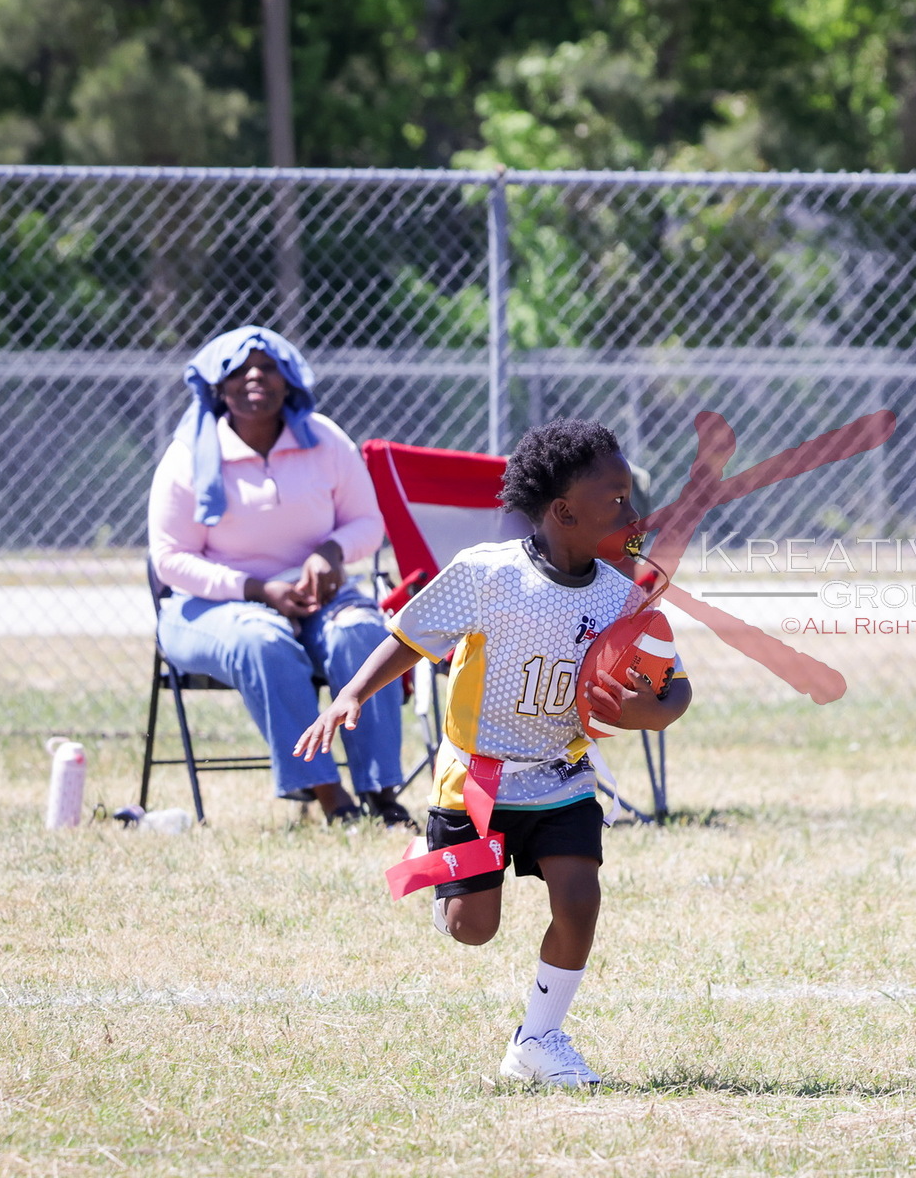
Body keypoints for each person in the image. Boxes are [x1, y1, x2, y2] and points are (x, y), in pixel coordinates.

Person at [294, 418, 693, 1087]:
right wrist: (351, 694)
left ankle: (537, 1040)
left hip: (563, 774)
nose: (634, 516)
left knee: (579, 898)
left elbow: (674, 685)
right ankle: (431, 865)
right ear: (564, 512)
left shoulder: (624, 595)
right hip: (477, 780)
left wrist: (650, 711)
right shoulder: (488, 574)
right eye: (617, 501)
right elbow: (411, 636)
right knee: (472, 928)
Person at [147, 325, 410, 825]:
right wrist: (257, 590)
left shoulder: (325, 441)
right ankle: (331, 797)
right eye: (239, 369)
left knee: (361, 633)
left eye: (268, 367)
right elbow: (170, 559)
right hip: (213, 606)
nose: (255, 377)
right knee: (263, 641)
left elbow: (367, 523)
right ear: (218, 386)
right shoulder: (188, 456)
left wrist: (331, 553)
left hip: (317, 598)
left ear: (288, 379)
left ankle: (383, 795)